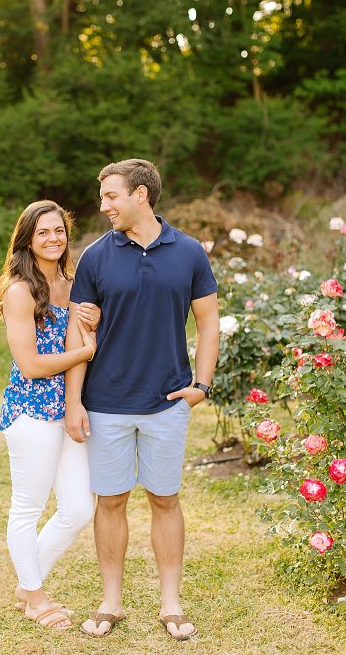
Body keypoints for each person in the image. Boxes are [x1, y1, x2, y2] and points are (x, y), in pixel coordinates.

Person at [63, 158, 220, 640]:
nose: (104, 204)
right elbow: (77, 330)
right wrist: (75, 401)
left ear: (140, 195)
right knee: (109, 502)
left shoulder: (189, 252)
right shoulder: (94, 257)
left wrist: (201, 385)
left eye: (111, 195)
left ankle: (170, 603)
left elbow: (209, 322)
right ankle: (111, 602)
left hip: (166, 402)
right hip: (106, 402)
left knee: (165, 499)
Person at [0, 200, 102, 630]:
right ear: (27, 240)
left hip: (68, 410)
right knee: (27, 508)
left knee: (77, 508)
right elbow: (32, 365)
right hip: (31, 412)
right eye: (43, 233)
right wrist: (84, 350)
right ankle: (35, 597)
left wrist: (93, 318)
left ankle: (26, 582)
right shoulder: (20, 290)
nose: (53, 239)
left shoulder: (74, 285)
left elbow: (86, 332)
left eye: (59, 231)